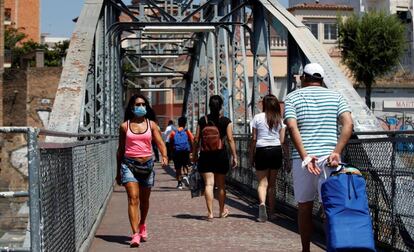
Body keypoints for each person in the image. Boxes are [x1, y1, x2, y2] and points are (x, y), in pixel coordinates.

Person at [284, 63, 353, 252]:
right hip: (330, 161)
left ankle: (305, 249)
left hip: (304, 161)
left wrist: (305, 156)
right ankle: (332, 247)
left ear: (304, 78)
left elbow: (291, 127)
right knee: (331, 208)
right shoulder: (336, 96)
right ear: (322, 80)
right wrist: (337, 151)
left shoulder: (292, 97)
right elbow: (348, 125)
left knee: (304, 207)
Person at [116, 94, 168, 247]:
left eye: (143, 105)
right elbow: (120, 150)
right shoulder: (124, 126)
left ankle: (142, 224)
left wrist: (164, 155)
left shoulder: (151, 125)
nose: (141, 107)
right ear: (132, 107)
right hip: (129, 164)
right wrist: (117, 172)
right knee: (133, 198)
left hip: (147, 165)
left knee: (144, 201)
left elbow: (160, 142)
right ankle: (135, 234)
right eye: (138, 104)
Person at [192, 95, 238, 220]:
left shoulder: (203, 120)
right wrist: (234, 156)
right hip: (221, 155)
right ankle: (222, 211)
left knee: (209, 184)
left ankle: (210, 213)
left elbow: (196, 139)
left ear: (209, 106)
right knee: (221, 186)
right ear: (221, 106)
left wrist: (194, 154)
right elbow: (230, 139)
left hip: (206, 156)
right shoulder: (226, 121)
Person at [249, 94, 286, 222]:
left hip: (261, 150)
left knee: (262, 183)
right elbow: (282, 140)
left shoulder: (257, 118)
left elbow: (254, 139)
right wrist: (287, 158)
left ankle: (262, 205)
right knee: (272, 185)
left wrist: (251, 155)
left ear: (264, 104)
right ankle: (272, 212)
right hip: (276, 150)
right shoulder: (279, 119)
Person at [169, 116, 194, 189]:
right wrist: (192, 150)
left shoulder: (174, 132)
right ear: (185, 123)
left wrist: (171, 151)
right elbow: (192, 140)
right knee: (185, 164)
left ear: (178, 123)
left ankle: (179, 184)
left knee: (178, 168)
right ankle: (186, 175)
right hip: (186, 151)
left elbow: (170, 142)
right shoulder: (186, 131)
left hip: (176, 152)